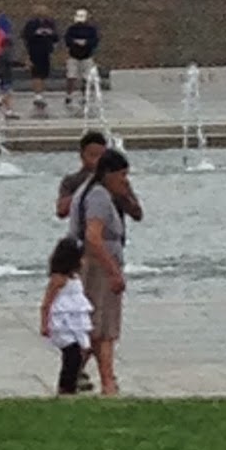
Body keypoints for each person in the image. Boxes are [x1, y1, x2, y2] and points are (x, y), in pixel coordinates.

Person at [67, 147, 132, 396]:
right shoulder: (98, 197)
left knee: (95, 327)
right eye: (122, 175)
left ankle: (76, 376)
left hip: (92, 264)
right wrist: (113, 271)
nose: (125, 181)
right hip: (98, 267)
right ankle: (107, 382)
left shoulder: (90, 191)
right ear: (108, 174)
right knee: (103, 329)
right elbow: (93, 237)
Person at [39, 236, 93, 396]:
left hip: (74, 321)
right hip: (62, 322)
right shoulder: (58, 279)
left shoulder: (74, 277)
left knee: (80, 352)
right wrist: (45, 324)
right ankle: (66, 387)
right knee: (71, 354)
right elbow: (46, 303)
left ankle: (72, 383)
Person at [56, 131, 144, 226]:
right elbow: (61, 211)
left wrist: (121, 195)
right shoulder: (71, 181)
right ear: (82, 156)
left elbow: (137, 214)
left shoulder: (115, 181)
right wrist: (87, 185)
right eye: (92, 155)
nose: (97, 161)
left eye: (101, 156)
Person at [21, 8, 60, 115]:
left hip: (46, 52)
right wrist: (36, 34)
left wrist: (50, 36)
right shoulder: (31, 24)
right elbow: (26, 36)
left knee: (44, 73)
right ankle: (37, 95)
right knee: (36, 73)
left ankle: (41, 93)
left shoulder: (50, 24)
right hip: (35, 51)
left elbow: (56, 37)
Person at [64, 7, 100, 108]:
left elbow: (95, 41)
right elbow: (67, 40)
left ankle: (85, 95)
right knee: (71, 76)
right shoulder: (72, 29)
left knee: (86, 78)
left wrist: (86, 43)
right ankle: (69, 95)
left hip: (87, 56)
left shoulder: (91, 29)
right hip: (73, 56)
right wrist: (75, 42)